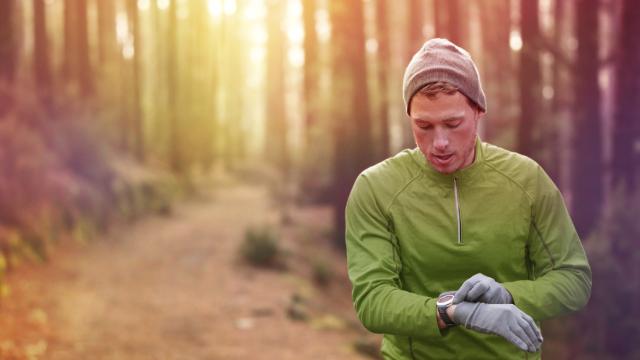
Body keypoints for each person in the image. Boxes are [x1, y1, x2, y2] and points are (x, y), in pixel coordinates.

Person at [344, 38, 592, 359]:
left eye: (453, 123)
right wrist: (453, 311)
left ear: (478, 111)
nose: (440, 142)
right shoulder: (376, 187)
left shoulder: (526, 180)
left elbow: (574, 281)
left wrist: (508, 295)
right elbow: (372, 300)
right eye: (424, 126)